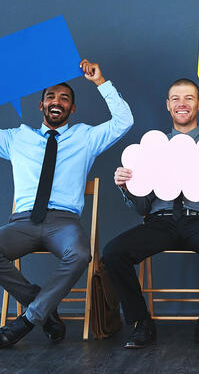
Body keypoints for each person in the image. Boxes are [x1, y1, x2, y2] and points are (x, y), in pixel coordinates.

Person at [0, 60, 133, 348]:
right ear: (41, 106)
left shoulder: (85, 137)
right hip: (22, 222)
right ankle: (42, 306)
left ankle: (28, 319)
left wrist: (100, 82)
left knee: (81, 253)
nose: (56, 101)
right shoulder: (16, 138)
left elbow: (124, 122)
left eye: (64, 98)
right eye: (50, 97)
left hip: (64, 223)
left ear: (72, 109)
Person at [103, 79, 199, 349]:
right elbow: (142, 208)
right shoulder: (152, 146)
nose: (182, 103)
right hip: (161, 222)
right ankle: (141, 322)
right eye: (176, 98)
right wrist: (127, 188)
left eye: (189, 98)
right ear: (167, 105)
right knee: (113, 253)